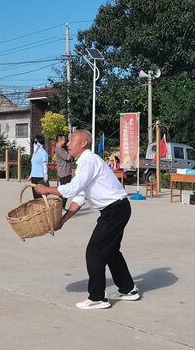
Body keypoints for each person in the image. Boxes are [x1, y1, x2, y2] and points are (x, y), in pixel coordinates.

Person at [33, 130, 139, 309]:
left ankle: (97, 297)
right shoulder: (85, 163)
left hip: (115, 210)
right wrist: (63, 220)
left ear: (83, 143)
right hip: (116, 209)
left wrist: (47, 190)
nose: (67, 144)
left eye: (72, 140)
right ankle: (128, 289)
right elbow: (80, 196)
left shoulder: (88, 160)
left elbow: (72, 188)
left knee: (95, 251)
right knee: (111, 251)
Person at [53, 133, 74, 209]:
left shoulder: (62, 149)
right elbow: (68, 158)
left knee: (64, 190)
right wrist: (71, 154)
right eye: (64, 140)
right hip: (64, 172)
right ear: (61, 140)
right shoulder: (58, 149)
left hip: (66, 172)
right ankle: (61, 207)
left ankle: (61, 206)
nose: (65, 141)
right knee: (65, 191)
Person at [29, 135, 49, 199]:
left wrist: (45, 176)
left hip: (41, 177)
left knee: (41, 197)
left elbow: (45, 164)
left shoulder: (43, 153)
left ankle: (43, 208)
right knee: (35, 197)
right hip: (34, 177)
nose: (35, 144)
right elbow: (33, 165)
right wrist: (31, 175)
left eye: (36, 142)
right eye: (34, 142)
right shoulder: (34, 154)